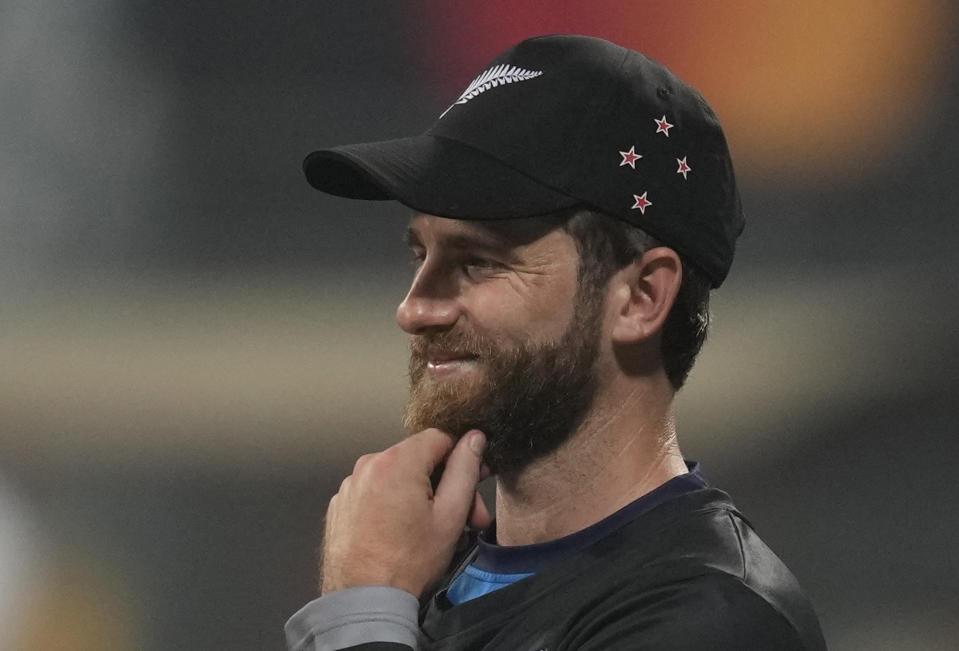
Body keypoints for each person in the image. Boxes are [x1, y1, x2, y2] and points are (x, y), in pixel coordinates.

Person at [287, 34, 826, 650]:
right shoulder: (426, 587)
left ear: (642, 296)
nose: (414, 308)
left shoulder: (715, 617)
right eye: (420, 254)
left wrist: (361, 612)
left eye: (478, 262)